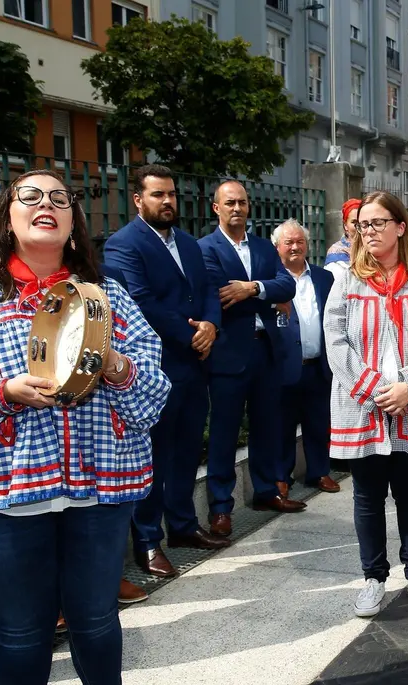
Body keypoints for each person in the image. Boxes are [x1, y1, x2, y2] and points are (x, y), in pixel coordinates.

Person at [0, 169, 171, 685]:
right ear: (8, 216)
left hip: (100, 490)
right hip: (4, 494)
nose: (46, 204)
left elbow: (154, 394)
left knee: (96, 620)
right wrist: (1, 393)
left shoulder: (106, 295)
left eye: (59, 199)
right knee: (24, 630)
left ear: (73, 222)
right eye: (30, 196)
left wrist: (113, 365)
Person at [323, 191, 408, 618]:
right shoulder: (347, 279)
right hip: (364, 404)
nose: (370, 231)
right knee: (367, 496)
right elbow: (335, 339)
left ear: (400, 226)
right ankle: (373, 578)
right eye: (363, 224)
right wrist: (373, 388)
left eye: (379, 222)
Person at [104, 164, 229, 581]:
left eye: (172, 194)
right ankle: (147, 542)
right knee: (152, 458)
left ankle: (183, 527)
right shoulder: (123, 245)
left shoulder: (190, 244)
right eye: (158, 195)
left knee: (187, 452)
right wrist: (190, 335)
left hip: (195, 366)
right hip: (154, 371)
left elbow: (209, 289)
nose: (168, 201)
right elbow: (139, 302)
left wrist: (211, 325)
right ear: (138, 200)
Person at [199, 180, 300, 536]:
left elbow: (287, 285)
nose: (237, 208)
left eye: (242, 202)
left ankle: (266, 490)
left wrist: (252, 288)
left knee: (266, 426)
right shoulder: (205, 249)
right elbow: (218, 291)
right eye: (230, 203)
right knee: (225, 433)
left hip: (266, 348)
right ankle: (221, 508)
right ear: (217, 208)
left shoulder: (262, 246)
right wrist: (262, 289)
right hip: (228, 353)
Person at [272, 219, 340, 493]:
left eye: (300, 241)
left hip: (317, 365)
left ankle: (319, 472)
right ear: (277, 247)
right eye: (288, 242)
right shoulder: (271, 279)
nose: (295, 247)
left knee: (318, 422)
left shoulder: (325, 278)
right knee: (282, 425)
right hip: (284, 365)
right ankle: (281, 477)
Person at [325, 198, 361, 281]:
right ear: (345, 225)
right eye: (354, 222)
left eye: (362, 222)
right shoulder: (337, 252)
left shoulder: (373, 247)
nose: (359, 226)